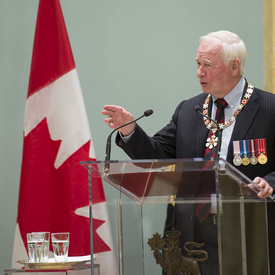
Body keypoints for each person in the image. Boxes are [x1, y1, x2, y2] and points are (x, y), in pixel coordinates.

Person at [102, 30, 275, 274]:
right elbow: (158, 155)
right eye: (197, 64)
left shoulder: (269, 108)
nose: (199, 72)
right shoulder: (188, 110)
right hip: (188, 237)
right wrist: (131, 131)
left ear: (235, 67)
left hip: (247, 235)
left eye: (208, 65)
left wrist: (270, 182)